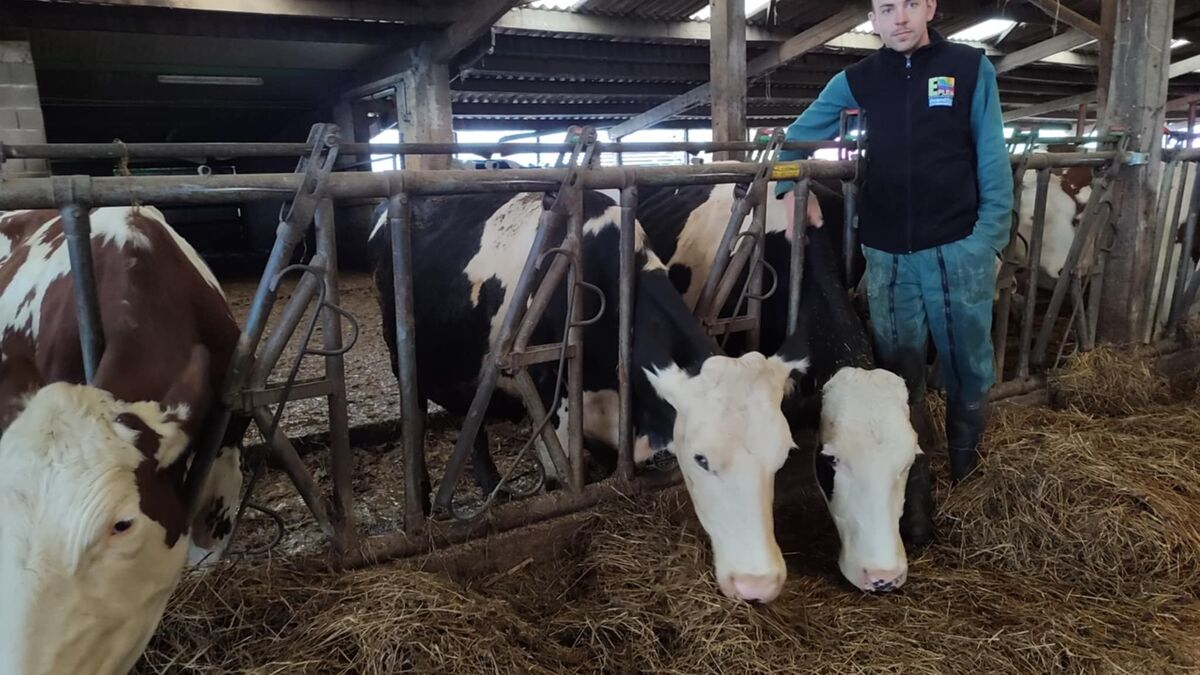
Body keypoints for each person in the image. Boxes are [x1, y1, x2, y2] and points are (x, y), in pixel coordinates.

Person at [774, 0, 1013, 535]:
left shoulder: (970, 68)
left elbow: (992, 156)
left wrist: (988, 241)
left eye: (910, 4)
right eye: (886, 8)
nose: (899, 18)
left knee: (967, 364)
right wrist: (791, 187)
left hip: (959, 246)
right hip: (885, 255)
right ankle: (915, 485)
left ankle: (967, 471)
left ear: (928, 6)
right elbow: (793, 140)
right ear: (873, 19)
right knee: (898, 373)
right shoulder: (858, 78)